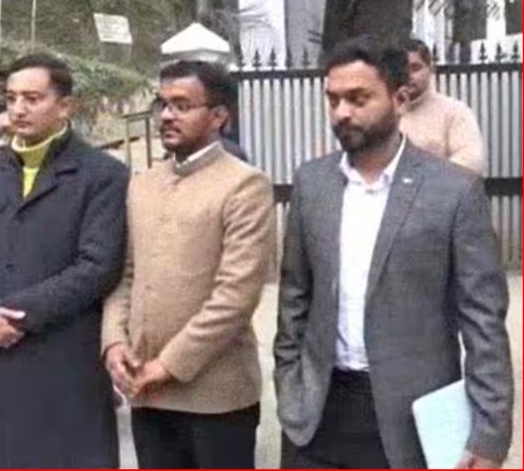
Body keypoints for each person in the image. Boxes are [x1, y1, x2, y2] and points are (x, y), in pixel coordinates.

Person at [275, 36, 513, 469]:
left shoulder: (453, 192)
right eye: (333, 99)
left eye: (358, 98)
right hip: (316, 414)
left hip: (408, 421)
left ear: (400, 99)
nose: (341, 112)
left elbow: (483, 322)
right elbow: (295, 296)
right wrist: (290, 386)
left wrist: (489, 432)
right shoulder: (312, 183)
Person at [0, 53, 128, 469]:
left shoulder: (102, 175)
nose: (18, 109)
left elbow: (97, 265)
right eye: (12, 98)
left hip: (62, 360)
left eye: (32, 99)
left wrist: (16, 316)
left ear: (65, 106)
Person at [103, 60, 275, 469]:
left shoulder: (244, 185)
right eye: (162, 104)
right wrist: (113, 343)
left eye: (182, 106)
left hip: (216, 397)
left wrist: (167, 366)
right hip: (147, 392)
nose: (166, 115)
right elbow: (126, 274)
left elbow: (235, 297)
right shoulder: (143, 184)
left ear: (218, 116)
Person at [400, 38, 484, 174]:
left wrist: (427, 179)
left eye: (415, 68)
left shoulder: (455, 112)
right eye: (402, 69)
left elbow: (471, 161)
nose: (408, 75)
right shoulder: (384, 112)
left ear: (430, 69)